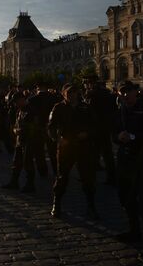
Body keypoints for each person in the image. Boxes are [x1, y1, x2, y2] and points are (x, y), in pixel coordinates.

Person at [113, 81, 143, 260]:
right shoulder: (119, 113)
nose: (125, 95)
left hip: (141, 161)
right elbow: (113, 133)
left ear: (136, 93)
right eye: (122, 92)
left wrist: (133, 137)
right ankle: (134, 231)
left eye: (128, 92)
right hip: (124, 160)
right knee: (125, 197)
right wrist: (118, 137)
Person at [48, 84, 98, 219]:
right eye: (68, 93)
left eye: (74, 92)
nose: (71, 95)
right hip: (66, 147)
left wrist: (87, 134)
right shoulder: (58, 107)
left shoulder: (85, 107)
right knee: (62, 177)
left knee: (87, 178)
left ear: (78, 94)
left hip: (83, 146)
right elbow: (51, 127)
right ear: (64, 94)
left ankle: (91, 206)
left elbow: (94, 125)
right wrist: (57, 139)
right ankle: (56, 204)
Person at [83, 74, 117, 185]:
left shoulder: (91, 94)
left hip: (95, 127)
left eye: (86, 83)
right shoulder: (107, 92)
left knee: (92, 152)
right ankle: (111, 176)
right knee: (107, 153)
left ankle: (90, 176)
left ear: (90, 83)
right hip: (106, 127)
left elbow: (89, 112)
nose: (85, 85)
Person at [2, 91, 37, 192]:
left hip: (29, 140)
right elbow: (17, 124)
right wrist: (15, 130)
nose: (15, 104)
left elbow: (33, 128)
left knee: (28, 163)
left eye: (16, 101)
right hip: (20, 140)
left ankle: (30, 184)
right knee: (16, 162)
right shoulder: (20, 110)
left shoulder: (31, 110)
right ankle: (14, 182)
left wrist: (19, 131)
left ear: (22, 99)